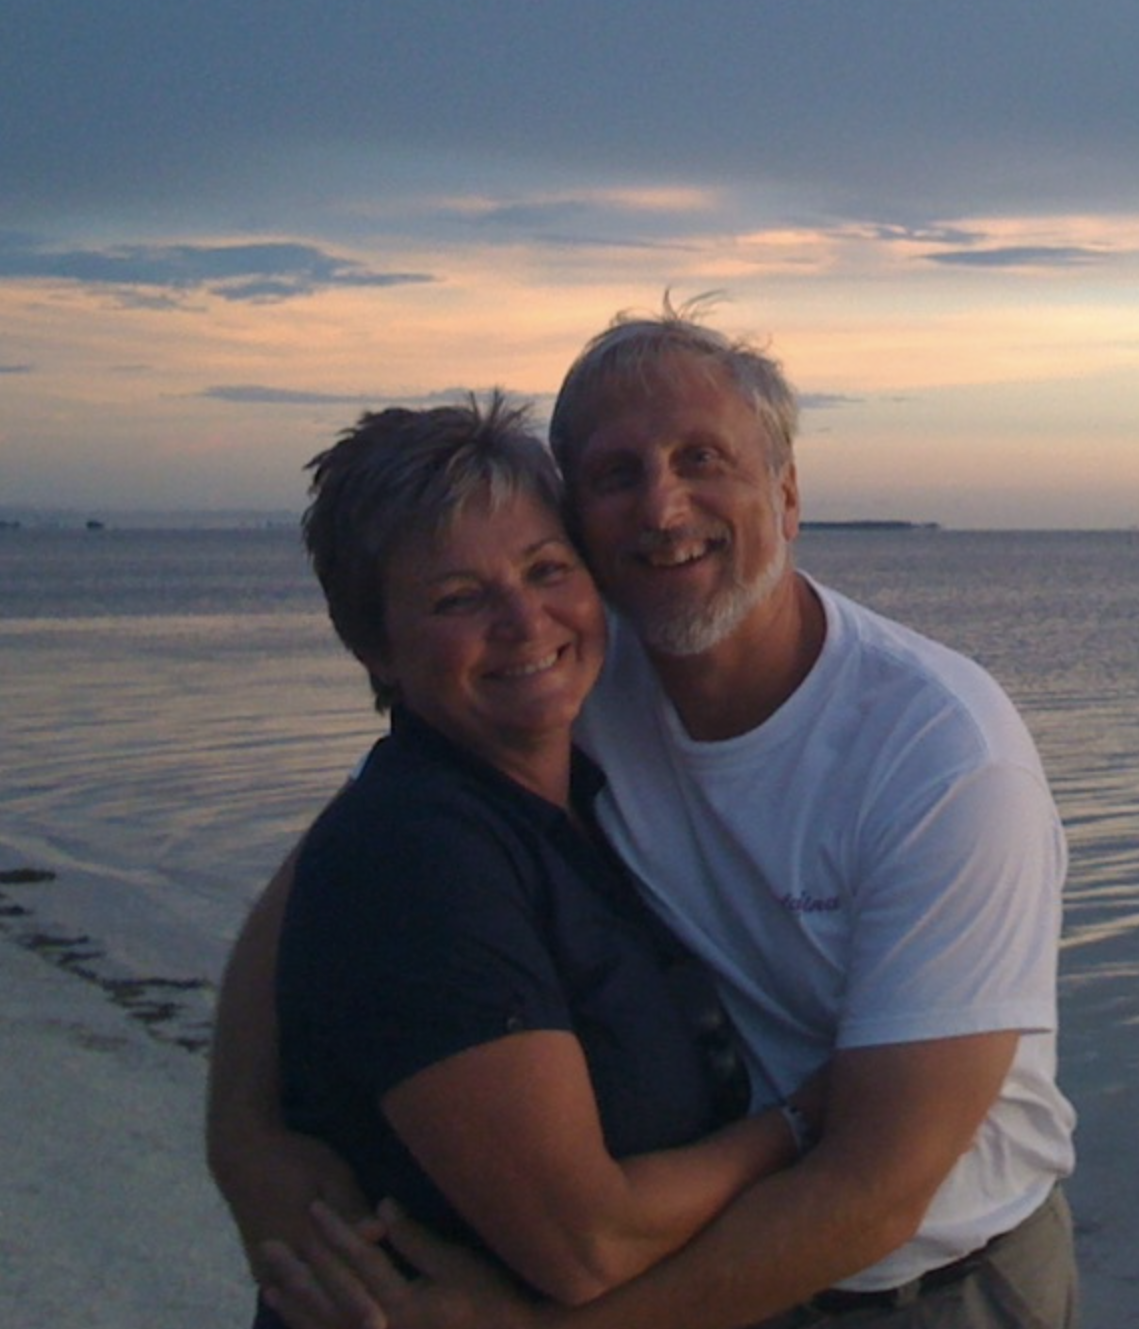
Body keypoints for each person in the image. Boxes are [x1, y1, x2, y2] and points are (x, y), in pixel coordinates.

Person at [213, 297, 1078, 1329]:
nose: (663, 508)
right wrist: (247, 1140)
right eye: (618, 474)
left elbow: (879, 1187)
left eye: (702, 460)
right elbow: (338, 871)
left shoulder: (938, 756)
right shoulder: (574, 673)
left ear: (788, 493)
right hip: (710, 1270)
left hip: (927, 1287)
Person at [209, 393, 819, 1327]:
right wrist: (800, 1122)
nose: (524, 623)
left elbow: (315, 868)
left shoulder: (578, 770)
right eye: (458, 598)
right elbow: (586, 1240)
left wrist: (239, 1121)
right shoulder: (417, 852)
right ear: (375, 644)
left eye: (546, 569)